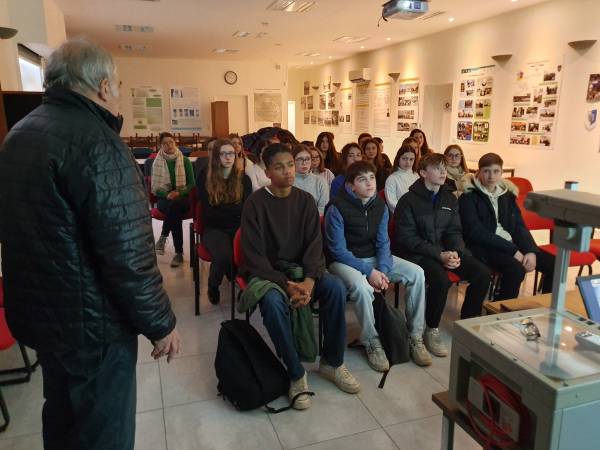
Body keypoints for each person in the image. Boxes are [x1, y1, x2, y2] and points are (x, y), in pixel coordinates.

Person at [0, 39, 180, 450]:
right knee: (103, 432)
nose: (117, 93)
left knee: (62, 420)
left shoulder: (19, 134)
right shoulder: (98, 142)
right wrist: (160, 324)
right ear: (101, 86)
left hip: (45, 316)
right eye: (116, 85)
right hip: (91, 326)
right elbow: (129, 252)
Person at [241, 143, 360, 410]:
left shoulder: (305, 201)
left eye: (290, 165)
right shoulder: (255, 204)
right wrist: (286, 284)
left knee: (335, 288)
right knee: (272, 303)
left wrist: (309, 280)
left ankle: (333, 362)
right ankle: (296, 372)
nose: (287, 171)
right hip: (270, 274)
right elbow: (254, 256)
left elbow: (314, 245)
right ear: (267, 172)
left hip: (304, 271)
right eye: (279, 167)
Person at [325, 161, 431, 368]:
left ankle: (414, 335)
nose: (369, 183)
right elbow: (338, 251)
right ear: (351, 185)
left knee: (417, 273)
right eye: (362, 179)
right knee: (362, 287)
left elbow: (383, 242)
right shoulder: (336, 207)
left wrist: (382, 270)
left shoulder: (380, 206)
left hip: (374, 259)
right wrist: (369, 272)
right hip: (343, 262)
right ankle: (371, 341)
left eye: (372, 178)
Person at [393, 153, 491, 357]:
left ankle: (468, 324)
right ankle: (431, 328)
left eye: (444, 168)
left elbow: (454, 230)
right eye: (437, 168)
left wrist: (455, 251)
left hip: (445, 251)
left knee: (481, 273)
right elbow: (407, 238)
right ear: (422, 173)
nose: (443, 172)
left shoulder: (448, 197)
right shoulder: (408, 200)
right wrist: (440, 254)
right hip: (418, 254)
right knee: (440, 280)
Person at [459, 153, 555, 299]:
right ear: (478, 172)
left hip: (510, 245)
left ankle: (546, 306)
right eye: (486, 171)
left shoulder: (506, 195)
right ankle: (502, 309)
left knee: (553, 264)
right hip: (485, 247)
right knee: (516, 270)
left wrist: (530, 251)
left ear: (502, 173)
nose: (491, 176)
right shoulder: (469, 196)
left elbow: (518, 225)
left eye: (496, 171)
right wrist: (513, 251)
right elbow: (476, 232)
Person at [196, 139, 252, 304]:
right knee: (224, 255)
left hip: (238, 227)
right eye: (223, 153)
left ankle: (245, 286)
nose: (228, 157)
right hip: (214, 228)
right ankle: (213, 285)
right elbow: (209, 212)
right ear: (215, 156)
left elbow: (245, 209)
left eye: (231, 153)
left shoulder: (244, 179)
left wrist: (226, 209)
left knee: (251, 252)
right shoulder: (205, 177)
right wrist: (234, 210)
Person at [152, 132, 195, 267]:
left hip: (183, 198)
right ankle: (179, 254)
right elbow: (155, 186)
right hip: (164, 199)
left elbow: (192, 184)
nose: (169, 145)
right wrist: (167, 194)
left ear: (175, 143)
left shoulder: (185, 160)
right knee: (174, 209)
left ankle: (163, 237)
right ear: (161, 146)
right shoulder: (157, 162)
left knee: (175, 206)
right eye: (165, 143)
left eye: (171, 142)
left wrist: (179, 192)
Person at [292, 144, 329, 215]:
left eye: (307, 159)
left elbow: (322, 208)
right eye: (300, 159)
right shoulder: (288, 181)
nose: (304, 163)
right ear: (293, 160)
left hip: (315, 221)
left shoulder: (320, 181)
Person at [384, 143, 419, 213]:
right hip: (401, 215)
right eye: (404, 158)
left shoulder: (416, 176)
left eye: (411, 159)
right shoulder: (392, 178)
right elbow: (392, 202)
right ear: (398, 158)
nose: (408, 162)